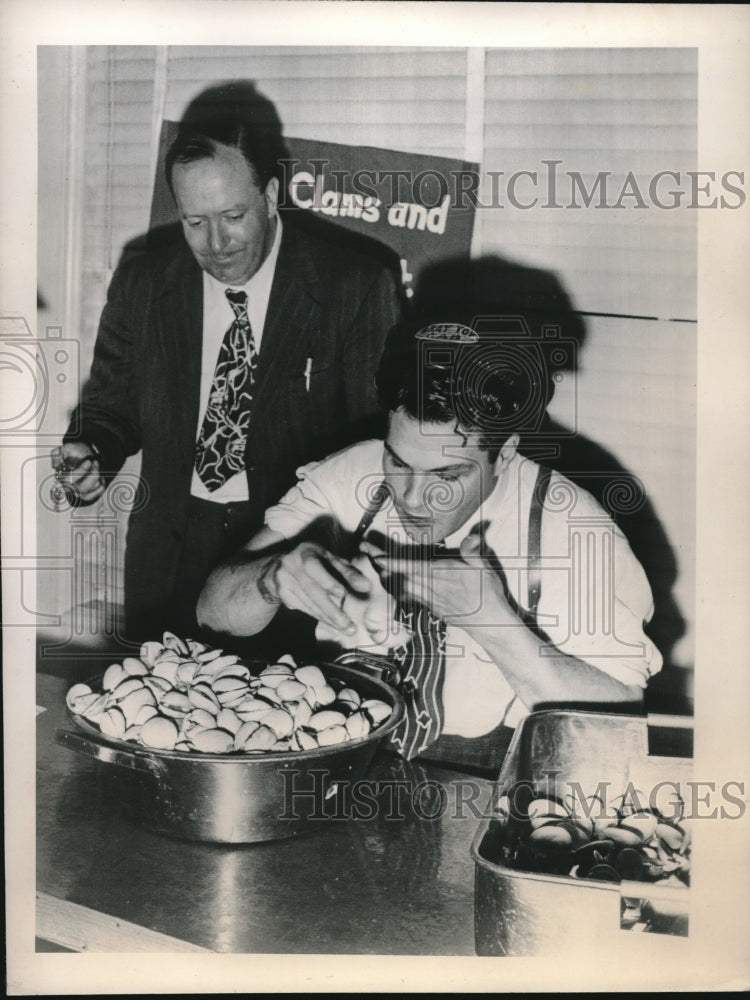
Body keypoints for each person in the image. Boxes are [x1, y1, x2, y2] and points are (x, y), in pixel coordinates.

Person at [197, 318, 662, 770]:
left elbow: (617, 728)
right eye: (398, 463)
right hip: (342, 748)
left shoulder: (572, 529)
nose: (414, 498)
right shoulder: (350, 475)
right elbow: (212, 614)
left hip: (482, 774)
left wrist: (492, 623)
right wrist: (269, 578)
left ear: (503, 453)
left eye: (448, 475)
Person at [51, 82, 403, 641]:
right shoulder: (144, 280)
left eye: (233, 215)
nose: (216, 243)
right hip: (165, 558)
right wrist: (93, 450)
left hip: (288, 557)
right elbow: (112, 407)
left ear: (269, 195)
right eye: (194, 222)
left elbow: (378, 450)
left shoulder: (356, 285)